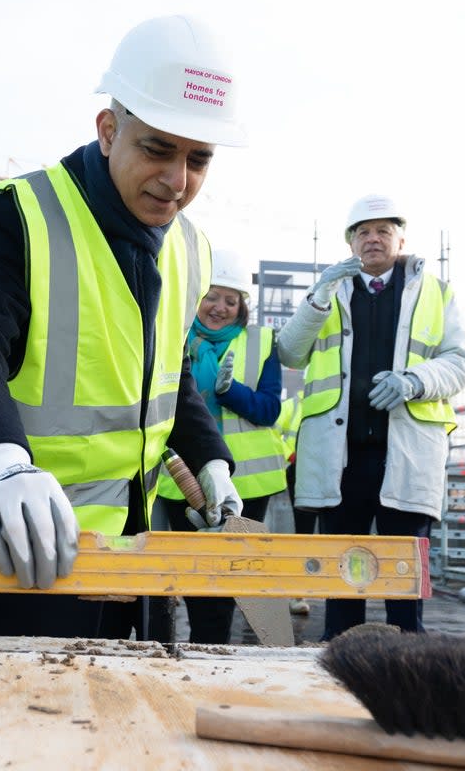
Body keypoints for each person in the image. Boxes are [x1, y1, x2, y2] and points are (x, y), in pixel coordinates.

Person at [0, 14, 245, 639]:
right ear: (108, 130)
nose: (177, 182)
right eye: (157, 149)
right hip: (24, 554)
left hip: (134, 556)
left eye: (198, 160)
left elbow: (165, 375)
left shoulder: (191, 248)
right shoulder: (24, 214)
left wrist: (210, 462)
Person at [276, 194, 465, 640]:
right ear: (350, 243)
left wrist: (414, 381)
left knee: (404, 570)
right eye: (362, 231)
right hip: (341, 458)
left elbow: (460, 362)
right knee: (346, 567)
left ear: (401, 238)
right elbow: (290, 352)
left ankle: (406, 663)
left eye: (383, 230)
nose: (372, 239)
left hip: (405, 453)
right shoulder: (330, 291)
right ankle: (341, 652)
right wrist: (317, 298)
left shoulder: (434, 292)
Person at [156, 249, 288, 643]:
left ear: (242, 306)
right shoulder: (170, 338)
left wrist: (232, 393)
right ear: (195, 298)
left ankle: (222, 647)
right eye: (212, 297)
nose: (220, 308)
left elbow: (268, 409)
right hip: (181, 477)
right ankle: (201, 642)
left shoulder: (263, 341)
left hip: (247, 483)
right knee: (194, 568)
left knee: (236, 569)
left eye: (231, 300)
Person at [274, 390, 313, 616]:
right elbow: (275, 432)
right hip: (299, 471)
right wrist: (291, 455)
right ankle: (299, 594)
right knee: (304, 535)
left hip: (331, 470)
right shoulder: (294, 404)